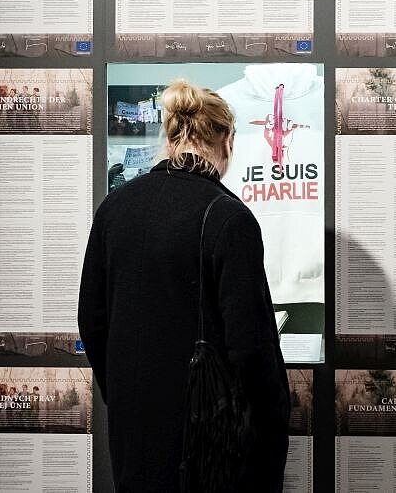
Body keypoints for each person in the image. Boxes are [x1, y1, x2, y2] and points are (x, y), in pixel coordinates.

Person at [78, 79, 290, 492]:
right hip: (210, 447)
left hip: (135, 437)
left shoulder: (114, 209)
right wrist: (273, 425)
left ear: (171, 134)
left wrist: (126, 393)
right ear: (225, 139)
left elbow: (92, 320)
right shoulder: (229, 218)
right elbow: (250, 345)